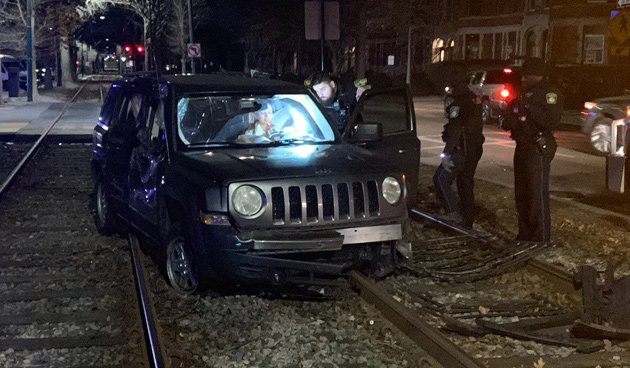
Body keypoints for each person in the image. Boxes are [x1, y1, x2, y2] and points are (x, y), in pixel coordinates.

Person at [502, 57, 563, 242]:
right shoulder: (524, 94)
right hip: (522, 145)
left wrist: (527, 108)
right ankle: (525, 234)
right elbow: (509, 120)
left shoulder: (549, 93)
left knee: (536, 195)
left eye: (525, 75)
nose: (522, 79)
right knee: (521, 194)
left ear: (535, 75)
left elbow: (551, 121)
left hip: (537, 147)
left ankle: (540, 237)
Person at [433, 78, 485, 228]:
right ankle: (467, 220)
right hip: (473, 149)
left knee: (440, 178)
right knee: (465, 183)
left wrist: (446, 154)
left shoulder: (457, 105)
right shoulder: (474, 102)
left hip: (461, 150)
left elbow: (455, 130)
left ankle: (451, 211)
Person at [305, 71, 369, 133]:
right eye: (317, 91)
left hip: (348, 134)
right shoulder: (312, 96)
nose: (320, 94)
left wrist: (364, 90)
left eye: (323, 89)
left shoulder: (348, 91)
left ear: (332, 84)